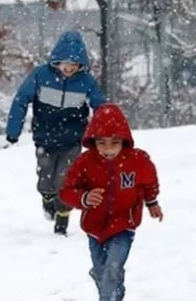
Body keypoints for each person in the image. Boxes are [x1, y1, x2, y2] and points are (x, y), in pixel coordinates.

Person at [6, 30, 107, 235]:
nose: (69, 69)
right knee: (46, 179)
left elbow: (101, 107)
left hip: (72, 140)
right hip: (44, 137)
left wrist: (106, 132)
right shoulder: (41, 76)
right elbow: (21, 100)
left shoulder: (86, 82)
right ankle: (47, 197)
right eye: (65, 64)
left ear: (81, 64)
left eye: (74, 65)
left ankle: (62, 217)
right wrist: (13, 130)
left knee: (66, 179)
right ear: (57, 61)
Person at [59, 103, 163, 301]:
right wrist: (84, 198)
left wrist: (152, 202)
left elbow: (149, 181)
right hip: (94, 227)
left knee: (113, 268)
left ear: (124, 140)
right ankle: (107, 284)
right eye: (102, 143)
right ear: (93, 141)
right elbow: (66, 191)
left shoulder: (137, 160)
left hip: (124, 224)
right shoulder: (84, 162)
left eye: (114, 143)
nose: (108, 150)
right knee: (103, 271)